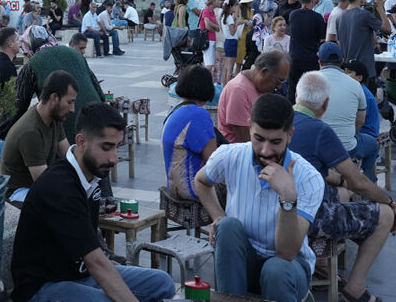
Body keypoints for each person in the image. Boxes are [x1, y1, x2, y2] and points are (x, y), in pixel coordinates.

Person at [11, 103, 175, 302]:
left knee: (162, 282)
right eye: (106, 147)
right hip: (43, 287)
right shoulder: (59, 187)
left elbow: (92, 246)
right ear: (81, 142)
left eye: (117, 147)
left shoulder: (92, 176)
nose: (114, 158)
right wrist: (105, 269)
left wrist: (108, 265)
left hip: (79, 274)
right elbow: (95, 262)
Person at [194, 94, 324, 302]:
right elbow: (200, 181)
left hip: (288, 268)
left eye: (276, 142)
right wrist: (218, 216)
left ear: (290, 135)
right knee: (226, 227)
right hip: (244, 260)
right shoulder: (229, 155)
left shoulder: (309, 178)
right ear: (249, 128)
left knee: (276, 269)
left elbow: (287, 252)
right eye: (259, 138)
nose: (266, 151)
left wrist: (288, 197)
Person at [289, 71, 395, 302]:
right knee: (384, 215)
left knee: (344, 193)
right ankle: (355, 288)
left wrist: (340, 181)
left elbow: (309, 168)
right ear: (326, 104)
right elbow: (359, 181)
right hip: (307, 216)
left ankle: (323, 266)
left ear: (296, 95)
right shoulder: (320, 130)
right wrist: (389, 201)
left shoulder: (281, 120)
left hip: (279, 208)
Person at [0, 70, 76, 205]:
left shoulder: (54, 117)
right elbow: (44, 184)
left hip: (35, 186)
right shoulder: (30, 131)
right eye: (69, 102)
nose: (72, 109)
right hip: (16, 194)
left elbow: (69, 158)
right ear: (54, 98)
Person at [317, 41, 378, 182]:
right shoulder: (356, 85)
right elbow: (361, 120)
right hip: (347, 147)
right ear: (342, 61)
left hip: (318, 146)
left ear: (320, 61)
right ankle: (365, 181)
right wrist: (350, 133)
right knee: (373, 145)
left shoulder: (307, 80)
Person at [162, 65, 217, 201]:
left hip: (173, 186)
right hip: (193, 190)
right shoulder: (198, 114)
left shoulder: (176, 108)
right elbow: (214, 161)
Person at [218, 50, 290, 143]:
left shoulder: (260, 87)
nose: (279, 86)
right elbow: (245, 140)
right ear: (264, 72)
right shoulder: (238, 90)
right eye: (278, 81)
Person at [336, 0, 392, 94]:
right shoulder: (364, 15)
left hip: (348, 71)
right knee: (366, 108)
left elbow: (339, 42)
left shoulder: (340, 17)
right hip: (364, 72)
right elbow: (388, 29)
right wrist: (380, 8)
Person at [286, 0, 326, 104]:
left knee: (292, 86)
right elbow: (322, 41)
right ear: (313, 0)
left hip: (294, 57)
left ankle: (291, 112)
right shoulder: (317, 18)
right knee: (311, 89)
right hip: (311, 59)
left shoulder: (293, 15)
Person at [343, 60, 381, 139]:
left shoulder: (363, 95)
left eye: (349, 72)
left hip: (366, 135)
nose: (345, 75)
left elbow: (358, 121)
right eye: (344, 72)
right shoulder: (354, 90)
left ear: (359, 77)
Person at [199, 0, 221, 78]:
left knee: (211, 64)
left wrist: (214, 26)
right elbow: (207, 26)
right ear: (213, 1)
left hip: (212, 39)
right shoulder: (206, 10)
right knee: (209, 64)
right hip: (208, 40)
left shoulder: (212, 12)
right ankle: (203, 81)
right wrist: (215, 26)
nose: (220, 2)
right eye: (218, 0)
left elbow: (215, 27)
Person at [221, 0, 242, 86]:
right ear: (231, 7)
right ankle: (228, 86)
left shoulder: (223, 16)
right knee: (230, 67)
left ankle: (224, 85)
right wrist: (236, 22)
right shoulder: (229, 17)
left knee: (226, 66)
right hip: (232, 42)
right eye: (235, 6)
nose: (236, 7)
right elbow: (232, 32)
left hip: (227, 41)